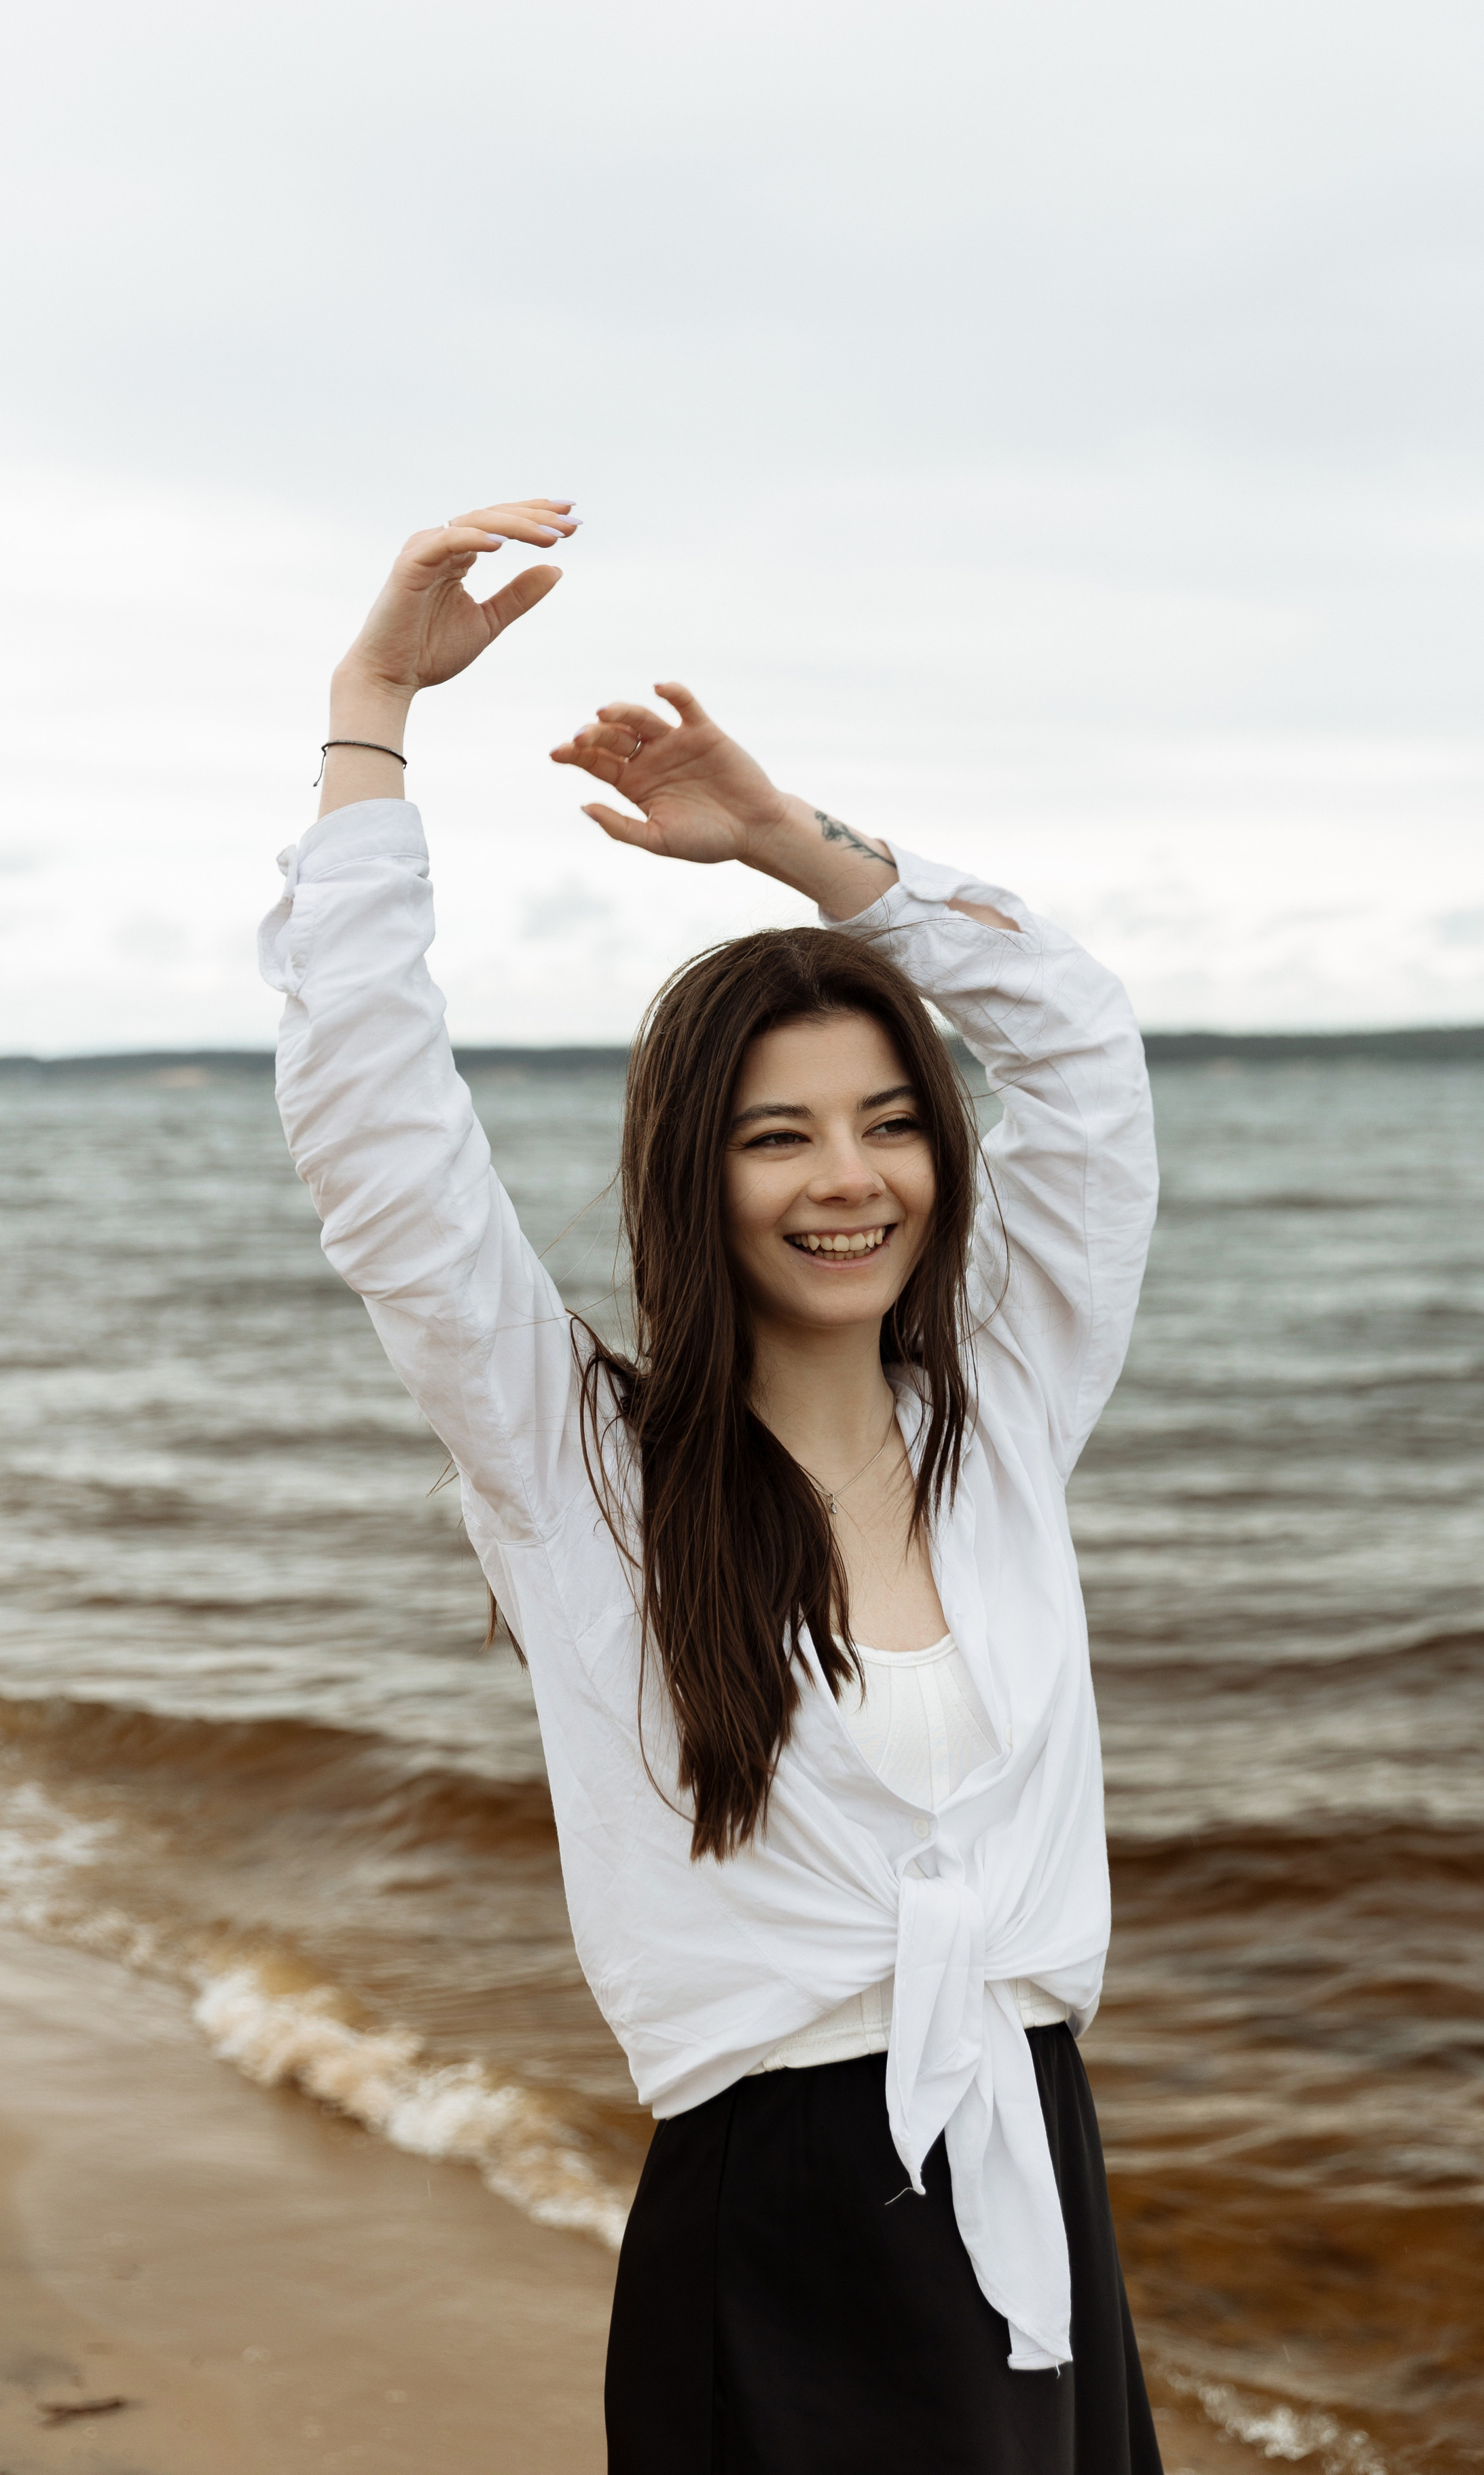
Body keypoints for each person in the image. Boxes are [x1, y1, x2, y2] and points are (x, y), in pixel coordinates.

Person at [258, 499, 1163, 2474]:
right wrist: (371, 711)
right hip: (782, 2228)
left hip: (1028, 2166)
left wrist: (791, 851)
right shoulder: (585, 1473)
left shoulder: (1001, 1424)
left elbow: (1080, 1048)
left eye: (889, 1124)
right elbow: (381, 1139)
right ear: (701, 1174)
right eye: (780, 1138)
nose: (850, 1179)